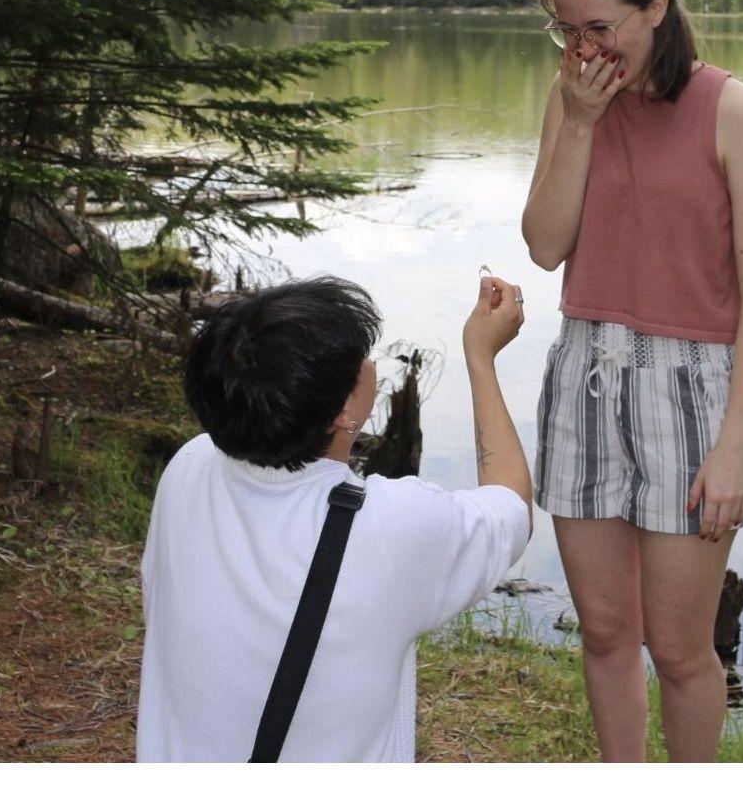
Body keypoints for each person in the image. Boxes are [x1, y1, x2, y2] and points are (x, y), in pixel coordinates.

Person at [522, 0, 743, 762]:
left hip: (692, 391)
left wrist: (736, 443)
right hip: (584, 379)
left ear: (658, 7)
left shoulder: (736, 112)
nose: (585, 47)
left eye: (601, 27)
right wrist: (578, 123)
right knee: (605, 633)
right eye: (568, 31)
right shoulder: (572, 100)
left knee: (678, 648)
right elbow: (544, 245)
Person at [136, 273, 531, 762]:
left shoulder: (188, 469)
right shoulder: (391, 526)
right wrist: (481, 358)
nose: (370, 363)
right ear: (345, 410)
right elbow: (511, 505)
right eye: (362, 357)